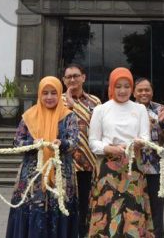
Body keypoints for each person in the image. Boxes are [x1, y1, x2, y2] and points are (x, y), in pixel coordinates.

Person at [6, 76, 80, 238]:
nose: (49, 97)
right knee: (32, 209)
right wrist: (33, 143)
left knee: (59, 208)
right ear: (39, 94)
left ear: (59, 93)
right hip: (33, 176)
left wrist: (61, 143)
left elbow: (74, 141)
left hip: (61, 175)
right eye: (45, 93)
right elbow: (17, 142)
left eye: (53, 93)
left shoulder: (69, 116)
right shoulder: (28, 116)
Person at [86, 68, 153, 236]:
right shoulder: (101, 110)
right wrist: (108, 148)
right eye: (118, 86)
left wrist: (138, 143)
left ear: (132, 88)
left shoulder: (139, 109)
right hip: (107, 169)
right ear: (111, 87)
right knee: (107, 212)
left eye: (126, 86)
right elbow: (93, 142)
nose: (122, 91)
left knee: (133, 211)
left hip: (133, 169)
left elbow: (146, 138)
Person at [61, 64, 101, 238]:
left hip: (88, 164)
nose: (72, 80)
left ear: (83, 77)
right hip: (64, 164)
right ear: (63, 80)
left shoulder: (95, 102)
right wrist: (69, 106)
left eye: (76, 76)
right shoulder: (56, 100)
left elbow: (100, 126)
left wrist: (75, 106)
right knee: (64, 206)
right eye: (68, 77)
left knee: (86, 207)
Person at [134, 77, 164, 237]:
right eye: (140, 90)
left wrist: (162, 124)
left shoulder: (161, 110)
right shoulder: (127, 110)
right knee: (134, 210)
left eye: (147, 90)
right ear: (134, 92)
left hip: (158, 169)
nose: (144, 93)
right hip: (135, 168)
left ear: (152, 92)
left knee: (157, 211)